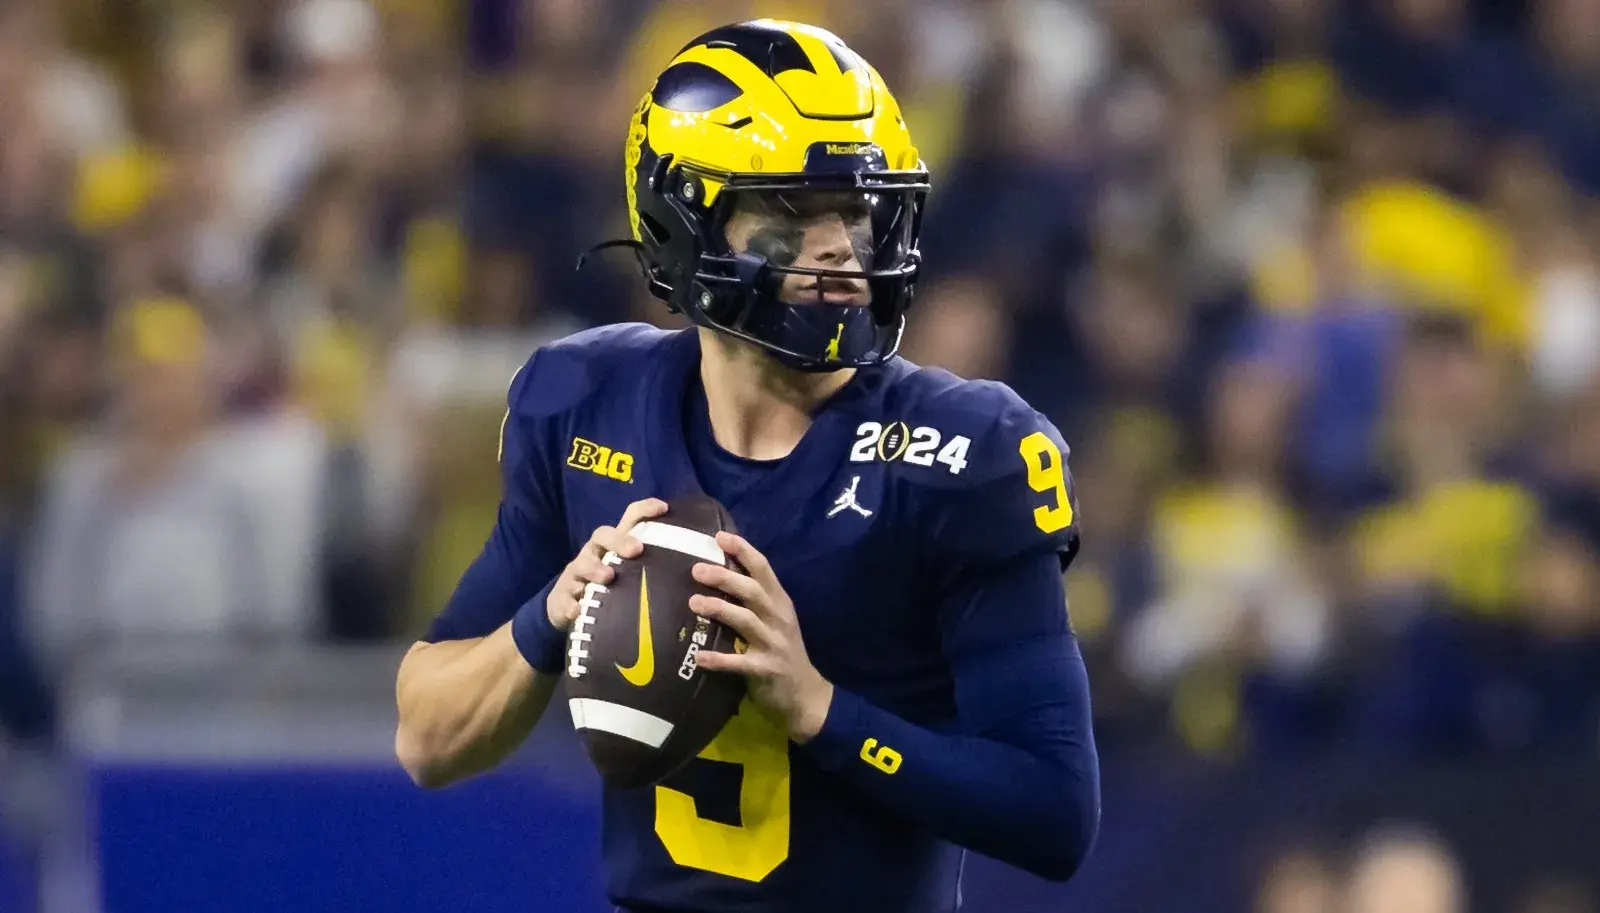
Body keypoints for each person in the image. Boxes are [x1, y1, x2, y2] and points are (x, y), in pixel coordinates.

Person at [393, 19, 1099, 912]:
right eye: (794, 212)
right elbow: (425, 735)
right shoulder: (585, 402)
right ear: (685, 223)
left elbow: (1054, 811)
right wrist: (550, 616)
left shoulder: (963, 451)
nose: (840, 245)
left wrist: (821, 710)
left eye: (854, 210)